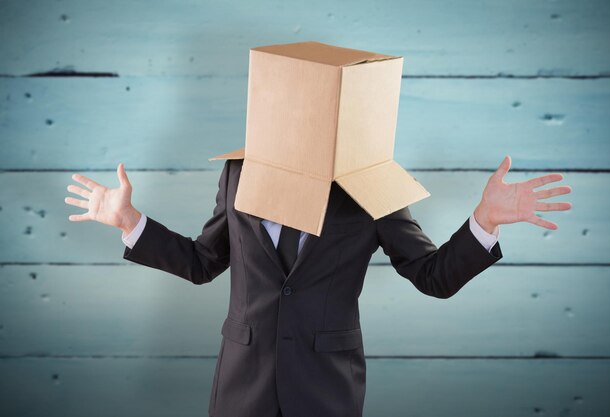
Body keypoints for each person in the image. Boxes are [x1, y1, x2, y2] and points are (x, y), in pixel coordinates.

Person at [64, 155, 571, 417]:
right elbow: (203, 261)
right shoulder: (239, 171)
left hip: (325, 388)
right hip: (244, 385)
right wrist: (130, 220)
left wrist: (484, 221)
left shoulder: (374, 185)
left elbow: (432, 276)